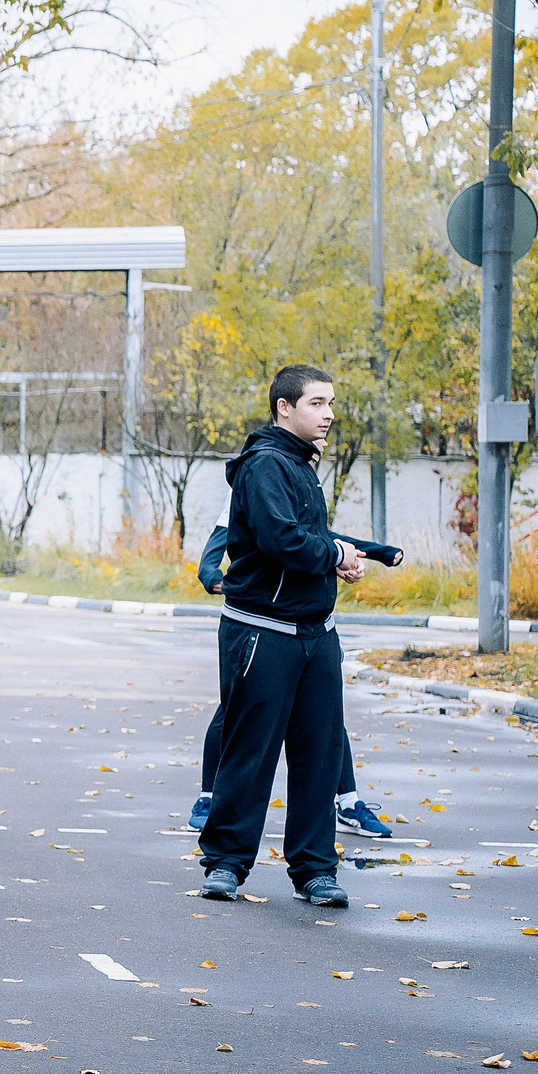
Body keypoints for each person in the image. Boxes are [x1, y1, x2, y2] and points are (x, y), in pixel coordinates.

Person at [200, 365, 391, 907]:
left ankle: (314, 871)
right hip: (263, 632)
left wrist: (341, 559)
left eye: (331, 403)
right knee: (250, 752)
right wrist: (336, 553)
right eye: (316, 403)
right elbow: (281, 539)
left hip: (316, 634)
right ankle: (226, 864)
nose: (328, 414)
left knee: (320, 755)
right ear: (284, 408)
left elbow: (307, 538)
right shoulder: (265, 464)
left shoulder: (300, 462)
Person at [190, 499, 398, 838]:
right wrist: (229, 584)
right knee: (232, 713)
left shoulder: (297, 495)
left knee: (326, 719)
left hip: (310, 630)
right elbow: (210, 564)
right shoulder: (249, 494)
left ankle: (348, 803)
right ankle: (208, 799)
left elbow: (322, 542)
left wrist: (376, 553)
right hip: (262, 630)